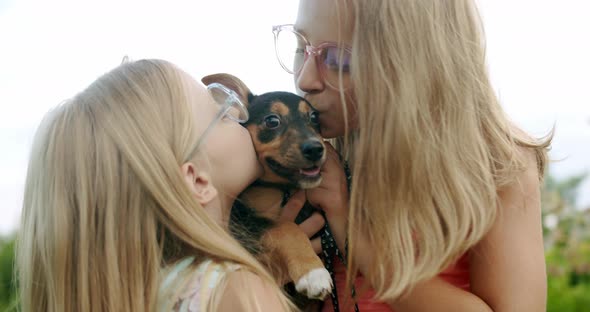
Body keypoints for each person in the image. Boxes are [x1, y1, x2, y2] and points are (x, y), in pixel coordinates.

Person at [274, 0, 552, 311]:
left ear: (415, 64)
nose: (305, 80)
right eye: (302, 47)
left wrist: (347, 222)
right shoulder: (309, 158)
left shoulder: (496, 164)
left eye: (339, 59)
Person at [16, 59, 297, 312]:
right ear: (196, 180)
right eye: (222, 113)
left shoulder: (147, 293)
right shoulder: (238, 290)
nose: (241, 114)